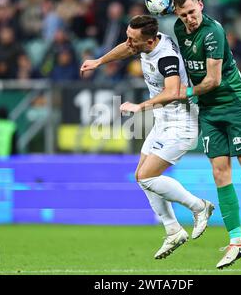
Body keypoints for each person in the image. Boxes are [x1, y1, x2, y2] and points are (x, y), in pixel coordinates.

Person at [80, 15, 215, 259]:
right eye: (128, 36)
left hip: (181, 124)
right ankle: (173, 230)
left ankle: (200, 206)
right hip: (163, 120)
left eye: (133, 39)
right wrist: (99, 61)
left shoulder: (166, 58)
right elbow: (125, 48)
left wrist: (140, 106)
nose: (128, 43)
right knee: (141, 177)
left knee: (146, 176)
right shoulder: (144, 43)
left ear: (151, 42)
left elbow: (173, 91)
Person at [173, 0, 241, 269]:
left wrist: (185, 93)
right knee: (219, 172)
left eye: (192, 12)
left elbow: (213, 80)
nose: (190, 19)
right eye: (183, 15)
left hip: (235, 103)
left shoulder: (214, 31)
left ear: (201, 5)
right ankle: (237, 241)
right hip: (209, 111)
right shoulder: (180, 31)